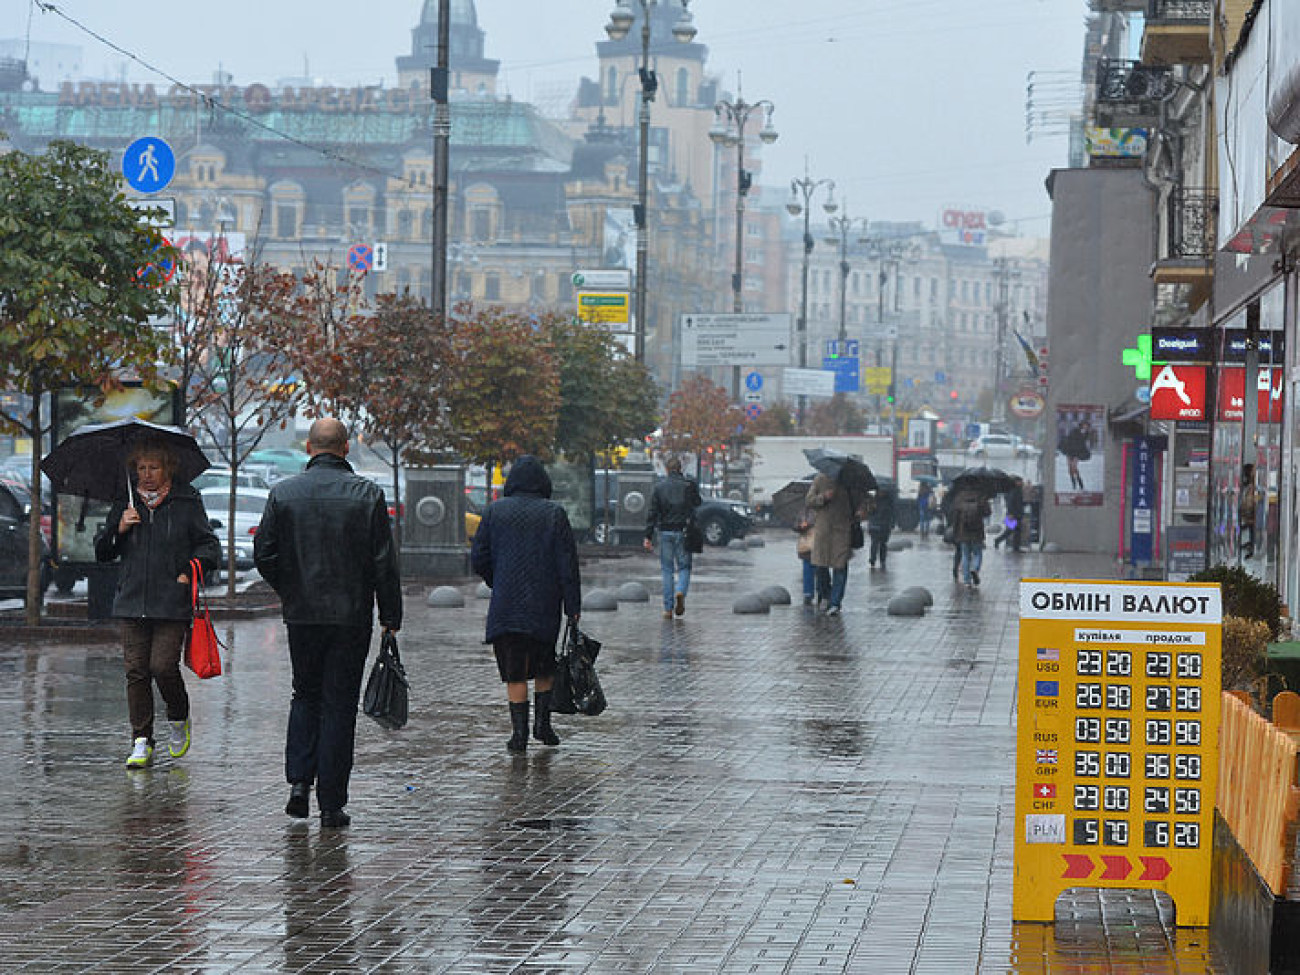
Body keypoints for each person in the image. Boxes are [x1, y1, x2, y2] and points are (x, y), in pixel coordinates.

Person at [254, 418, 402, 828]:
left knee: (304, 694)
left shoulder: (284, 493)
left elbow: (263, 553)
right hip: (351, 615)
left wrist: (292, 586)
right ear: (346, 448)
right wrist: (390, 615)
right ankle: (332, 803)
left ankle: (299, 784)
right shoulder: (367, 495)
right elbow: (383, 563)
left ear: (308, 448)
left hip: (302, 614)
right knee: (339, 704)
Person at [94, 439, 221, 768]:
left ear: (168, 469)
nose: (146, 475)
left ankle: (178, 717)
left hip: (171, 602)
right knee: (136, 671)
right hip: (132, 599)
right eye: (141, 468)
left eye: (153, 468)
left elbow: (209, 547)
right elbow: (103, 551)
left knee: (162, 667)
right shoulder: (127, 501)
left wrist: (186, 572)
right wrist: (119, 529)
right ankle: (141, 740)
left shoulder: (186, 501)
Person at [471, 456, 581, 753]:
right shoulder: (554, 514)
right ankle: (542, 726)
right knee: (545, 665)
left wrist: (498, 580)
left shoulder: (495, 511)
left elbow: (478, 557)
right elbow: (567, 565)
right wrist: (573, 607)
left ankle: (518, 734)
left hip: (507, 604)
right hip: (544, 603)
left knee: (514, 669)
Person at [643, 455, 702, 619]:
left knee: (667, 570)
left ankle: (668, 609)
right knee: (684, 567)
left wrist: (648, 535)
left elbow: (652, 512)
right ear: (680, 469)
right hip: (684, 531)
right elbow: (698, 503)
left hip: (665, 531)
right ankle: (681, 591)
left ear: (667, 470)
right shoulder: (688, 486)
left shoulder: (659, 487)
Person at [806, 471, 857, 615]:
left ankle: (835, 602)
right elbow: (809, 500)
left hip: (842, 530)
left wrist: (860, 510)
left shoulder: (849, 483)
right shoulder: (820, 479)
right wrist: (823, 497)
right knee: (821, 567)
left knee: (840, 567)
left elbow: (861, 502)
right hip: (823, 531)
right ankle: (827, 596)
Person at [951, 490, 992, 587]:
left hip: (963, 530)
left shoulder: (960, 497)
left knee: (965, 555)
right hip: (977, 530)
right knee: (977, 553)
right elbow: (988, 513)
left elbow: (955, 516)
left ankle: (967, 581)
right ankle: (975, 568)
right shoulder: (981, 495)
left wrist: (955, 532)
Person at [866, 484, 896, 569]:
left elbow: (893, 513)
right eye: (879, 491)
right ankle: (872, 559)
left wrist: (892, 523)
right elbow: (869, 512)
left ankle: (882, 560)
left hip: (885, 526)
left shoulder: (889, 501)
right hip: (874, 525)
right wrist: (871, 508)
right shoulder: (873, 500)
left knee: (883, 544)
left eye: (882, 491)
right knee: (874, 543)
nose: (881, 492)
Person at [993, 477, 1025, 552]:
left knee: (1015, 530)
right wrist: (1011, 513)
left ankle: (1015, 547)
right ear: (1015, 482)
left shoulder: (1016, 490)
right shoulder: (1013, 490)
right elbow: (1010, 503)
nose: (1021, 483)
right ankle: (999, 540)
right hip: (1013, 514)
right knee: (1011, 530)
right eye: (1020, 481)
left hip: (1016, 513)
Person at [1059, 419, 1092, 491]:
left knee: (1074, 467)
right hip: (1070, 450)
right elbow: (1070, 438)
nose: (1085, 427)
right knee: (1070, 468)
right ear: (1082, 425)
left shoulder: (1086, 433)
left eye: (1087, 426)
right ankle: (1073, 483)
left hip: (1077, 452)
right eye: (1084, 425)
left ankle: (1080, 483)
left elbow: (1083, 443)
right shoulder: (1075, 430)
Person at [794, 507, 817, 606]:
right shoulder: (804, 511)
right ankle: (808, 594)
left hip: (821, 544)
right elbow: (795, 525)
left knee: (821, 570)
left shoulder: (826, 509)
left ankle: (823, 593)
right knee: (807, 569)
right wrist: (801, 526)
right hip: (807, 545)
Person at [1239, 464, 1259, 559]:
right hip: (1250, 514)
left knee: (1253, 528)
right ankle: (1251, 544)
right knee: (1251, 528)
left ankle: (1252, 546)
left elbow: (1250, 502)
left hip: (1252, 514)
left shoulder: (1253, 486)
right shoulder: (1250, 486)